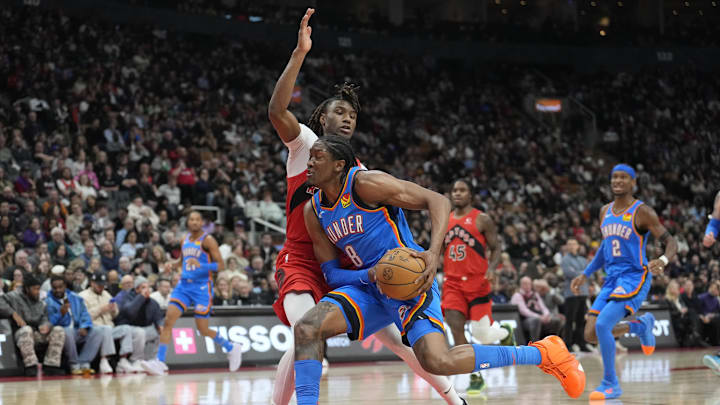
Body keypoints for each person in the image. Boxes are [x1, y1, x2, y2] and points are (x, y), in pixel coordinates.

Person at [266, 9, 466, 405]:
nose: (347, 119)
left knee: (404, 343)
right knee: (305, 334)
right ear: (321, 116)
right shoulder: (305, 143)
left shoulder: (358, 172)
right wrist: (299, 53)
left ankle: (455, 399)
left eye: (353, 115)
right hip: (303, 262)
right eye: (339, 111)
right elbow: (276, 112)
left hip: (348, 268)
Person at [293, 135, 584, 404]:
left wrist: (433, 253)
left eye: (317, 157)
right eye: (310, 157)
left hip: (411, 281)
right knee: (307, 328)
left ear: (338, 165)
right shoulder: (314, 210)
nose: (309, 163)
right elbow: (331, 274)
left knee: (437, 361)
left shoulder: (366, 184)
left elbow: (437, 200)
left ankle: (542, 353)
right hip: (367, 287)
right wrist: (369, 275)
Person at [571, 164, 678, 400]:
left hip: (634, 278)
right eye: (614, 177)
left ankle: (611, 383)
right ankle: (639, 326)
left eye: (623, 177)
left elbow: (672, 242)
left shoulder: (643, 212)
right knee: (589, 334)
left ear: (633, 183)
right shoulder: (604, 211)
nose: (617, 181)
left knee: (602, 326)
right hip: (611, 279)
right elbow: (604, 248)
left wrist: (663, 259)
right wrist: (586, 273)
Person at [141, 211, 242, 375]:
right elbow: (182, 262)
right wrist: (171, 265)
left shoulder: (208, 240)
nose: (194, 222)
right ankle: (160, 362)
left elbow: (221, 266)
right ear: (188, 223)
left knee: (202, 329)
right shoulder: (184, 239)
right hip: (183, 286)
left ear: (201, 222)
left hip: (202, 288)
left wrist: (201, 266)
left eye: (197, 220)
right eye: (191, 220)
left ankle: (231, 347)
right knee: (168, 321)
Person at [441, 179, 512, 394]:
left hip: (477, 283)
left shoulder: (482, 219)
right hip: (452, 284)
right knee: (457, 330)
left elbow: (496, 247)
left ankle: (504, 332)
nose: (457, 193)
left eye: (462, 190)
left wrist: (492, 268)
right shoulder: (445, 220)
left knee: (481, 334)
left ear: (470, 195)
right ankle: (475, 376)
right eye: (454, 190)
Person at [0, 273, 66, 376]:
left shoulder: (41, 303)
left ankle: (51, 365)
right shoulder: (13, 296)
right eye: (35, 289)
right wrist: (13, 313)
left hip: (36, 333)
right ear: (27, 289)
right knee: (26, 330)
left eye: (39, 289)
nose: (38, 292)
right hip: (18, 333)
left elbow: (45, 319)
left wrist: (46, 326)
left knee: (58, 330)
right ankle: (30, 366)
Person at [79, 272, 144, 373]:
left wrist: (114, 309)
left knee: (126, 328)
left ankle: (123, 360)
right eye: (98, 284)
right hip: (94, 330)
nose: (101, 287)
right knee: (106, 329)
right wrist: (100, 309)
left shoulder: (106, 294)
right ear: (92, 283)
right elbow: (82, 317)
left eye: (103, 285)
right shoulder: (83, 296)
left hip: (109, 327)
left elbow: (115, 315)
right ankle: (104, 360)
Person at [46, 275, 106, 375]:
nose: (57, 290)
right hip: (63, 333)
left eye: (60, 287)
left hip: (78, 330)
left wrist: (84, 326)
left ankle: (84, 362)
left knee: (99, 331)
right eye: (54, 288)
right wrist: (61, 313)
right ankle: (74, 364)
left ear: (65, 286)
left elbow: (85, 314)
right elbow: (50, 322)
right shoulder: (48, 301)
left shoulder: (75, 297)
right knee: (66, 331)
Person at [561, 238, 590, 352]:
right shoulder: (565, 260)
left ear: (578, 246)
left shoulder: (583, 259)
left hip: (583, 292)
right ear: (567, 247)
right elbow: (569, 273)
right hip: (571, 293)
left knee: (581, 320)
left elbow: (589, 273)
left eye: (574, 243)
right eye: (570, 244)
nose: (572, 246)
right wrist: (583, 273)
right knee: (570, 320)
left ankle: (581, 343)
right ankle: (568, 344)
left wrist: (580, 273)